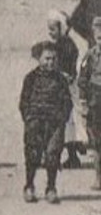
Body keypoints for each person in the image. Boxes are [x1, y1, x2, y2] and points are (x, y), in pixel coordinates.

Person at [21, 41, 73, 203]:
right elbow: (23, 101)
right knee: (33, 154)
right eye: (47, 59)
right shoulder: (30, 78)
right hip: (35, 122)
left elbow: (67, 102)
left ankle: (51, 188)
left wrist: (62, 119)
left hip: (55, 124)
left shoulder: (61, 80)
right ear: (38, 59)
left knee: (53, 155)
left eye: (53, 59)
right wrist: (29, 118)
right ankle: (29, 186)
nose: (50, 62)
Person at [43, 10, 84, 166]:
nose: (50, 32)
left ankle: (69, 156)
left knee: (66, 121)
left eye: (53, 29)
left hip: (65, 87)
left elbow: (67, 66)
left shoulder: (65, 45)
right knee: (66, 123)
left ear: (61, 28)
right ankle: (70, 156)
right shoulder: (62, 43)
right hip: (63, 85)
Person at [78, 18, 101, 192]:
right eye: (98, 36)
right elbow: (83, 79)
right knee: (96, 140)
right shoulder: (90, 56)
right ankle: (99, 177)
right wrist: (84, 101)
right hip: (95, 100)